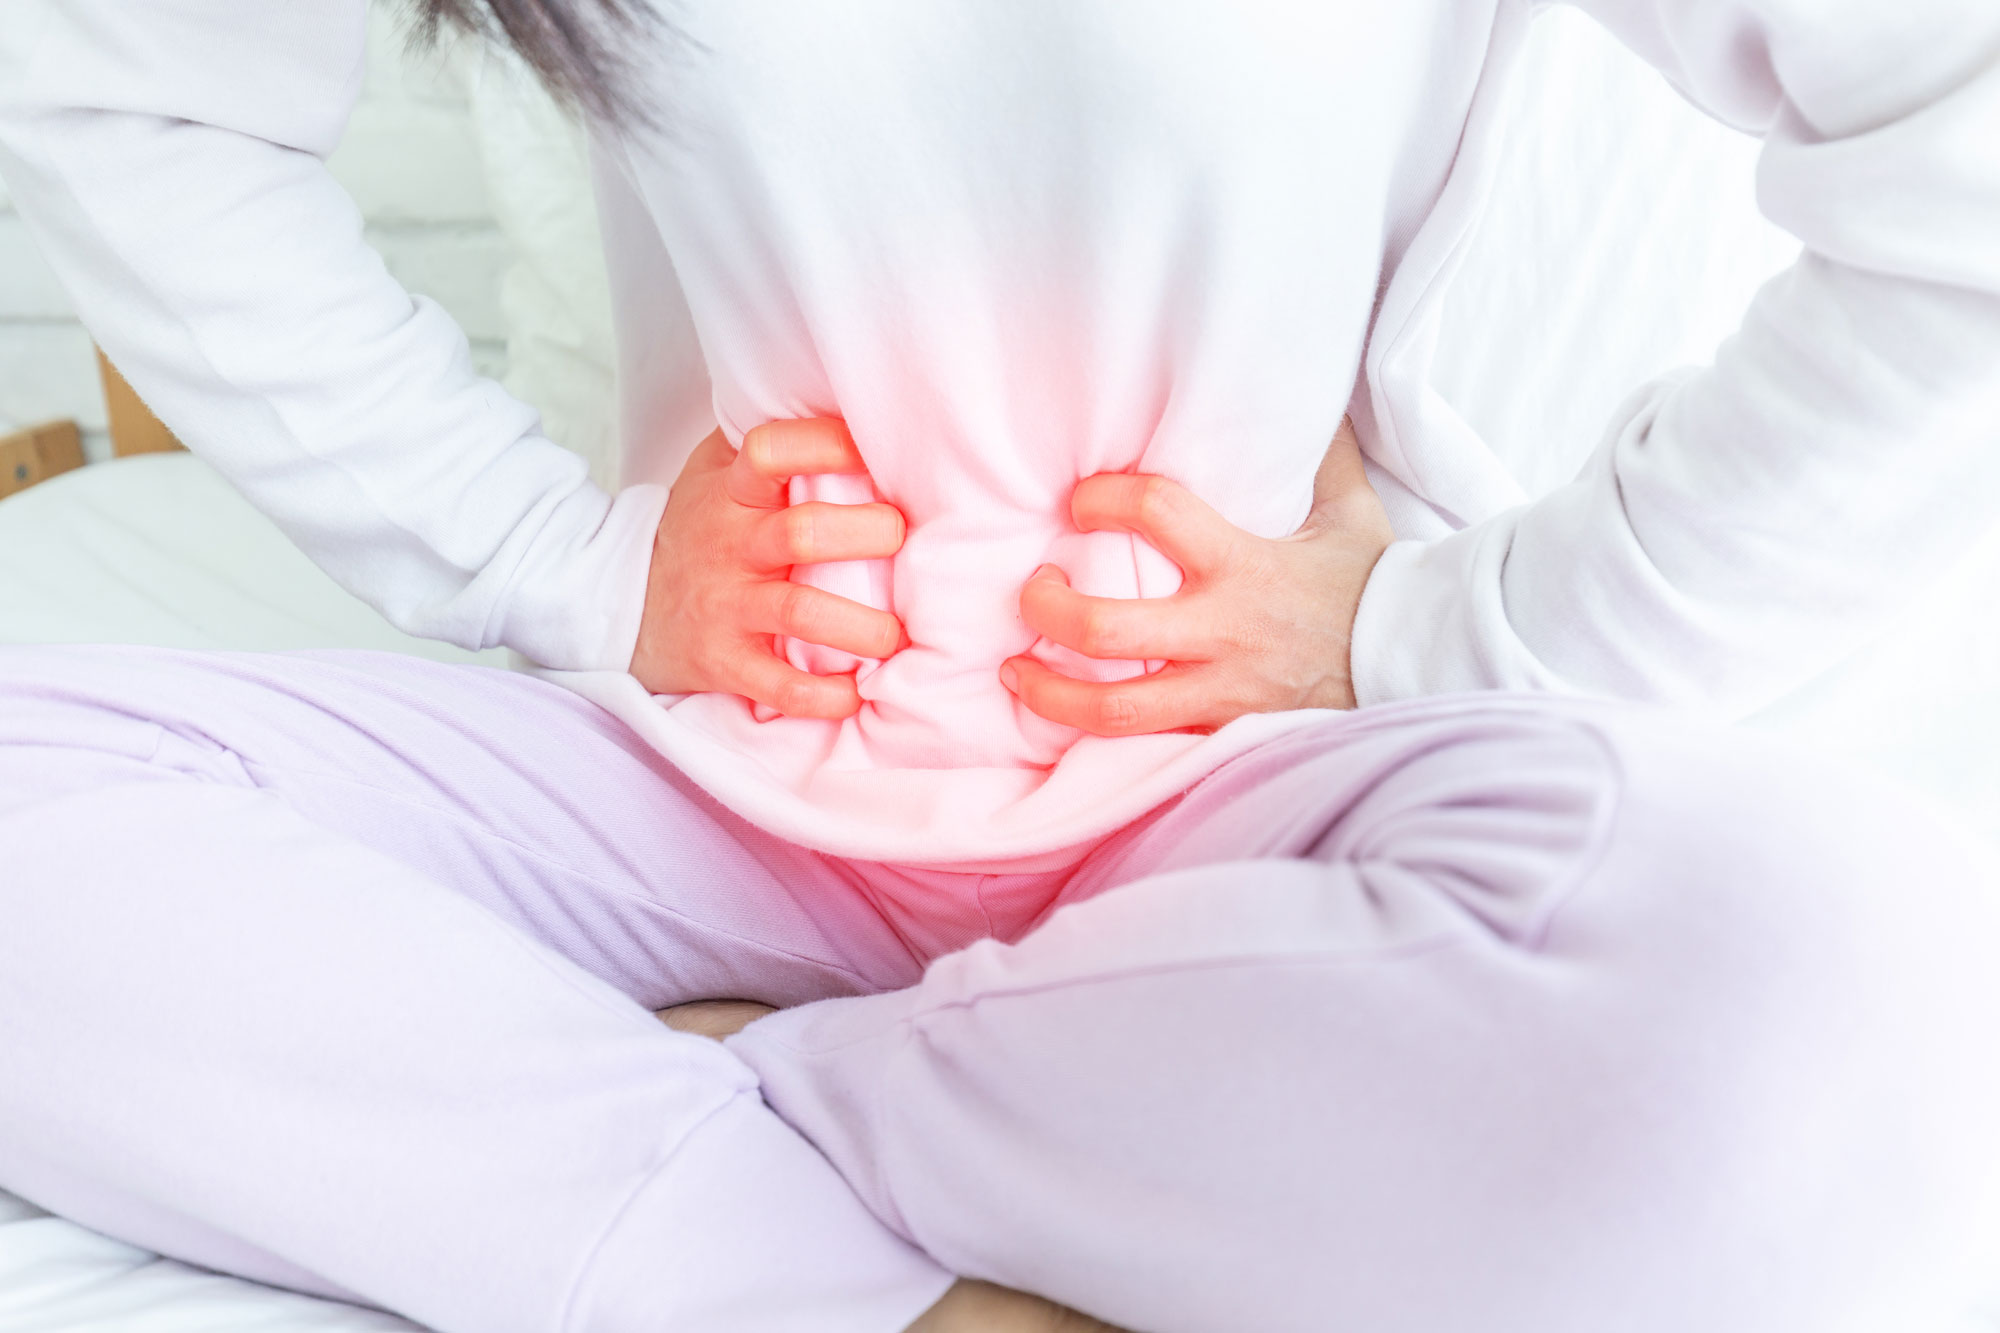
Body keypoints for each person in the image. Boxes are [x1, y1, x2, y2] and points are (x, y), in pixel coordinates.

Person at [2, 1, 1999, 1329]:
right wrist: (542, 554)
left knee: (1872, 994)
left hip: (1252, 781)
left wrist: (1487, 625)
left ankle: (764, 1077)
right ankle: (866, 1266)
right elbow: (122, 85)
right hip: (717, 767)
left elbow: (1960, 139)